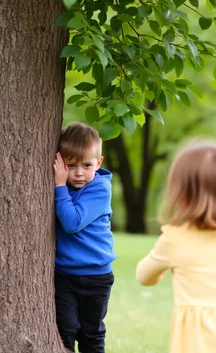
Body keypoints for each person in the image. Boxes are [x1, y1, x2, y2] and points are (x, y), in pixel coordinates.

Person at [136, 142, 216, 353]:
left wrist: (160, 272)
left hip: (195, 342)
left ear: (183, 194)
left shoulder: (173, 238)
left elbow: (144, 276)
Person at [53, 122, 118, 353]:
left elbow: (72, 223)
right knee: (65, 329)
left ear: (98, 163)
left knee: (91, 333)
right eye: (71, 165)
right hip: (64, 276)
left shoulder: (99, 189)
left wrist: (60, 185)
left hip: (96, 276)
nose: (79, 172)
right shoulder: (64, 187)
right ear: (60, 162)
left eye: (87, 165)